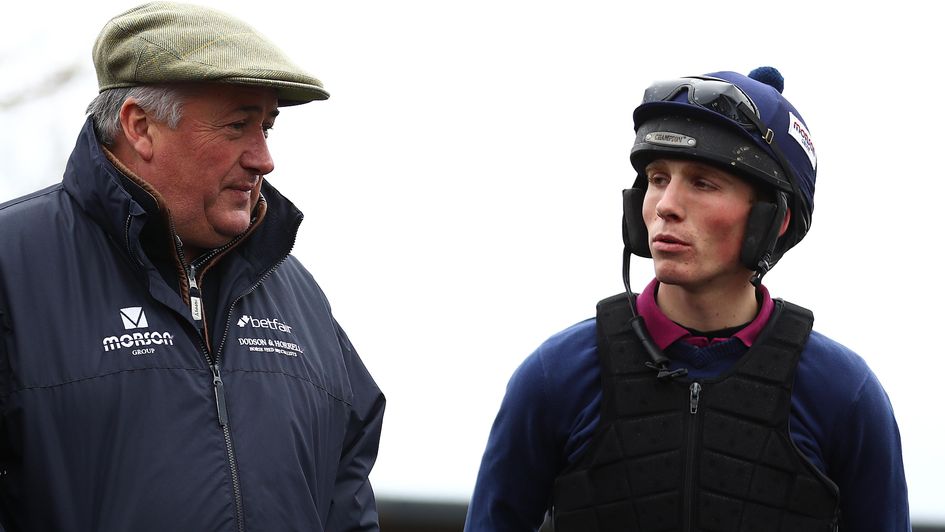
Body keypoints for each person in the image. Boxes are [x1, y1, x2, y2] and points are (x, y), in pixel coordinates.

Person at [465, 67, 910, 531]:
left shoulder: (844, 394)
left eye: (702, 183)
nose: (665, 206)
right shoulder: (555, 376)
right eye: (657, 178)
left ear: (774, 219)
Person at [0, 2, 384, 531]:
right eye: (237, 125)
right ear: (140, 126)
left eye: (267, 127)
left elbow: (349, 486)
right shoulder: (13, 267)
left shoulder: (300, 299)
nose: (263, 158)